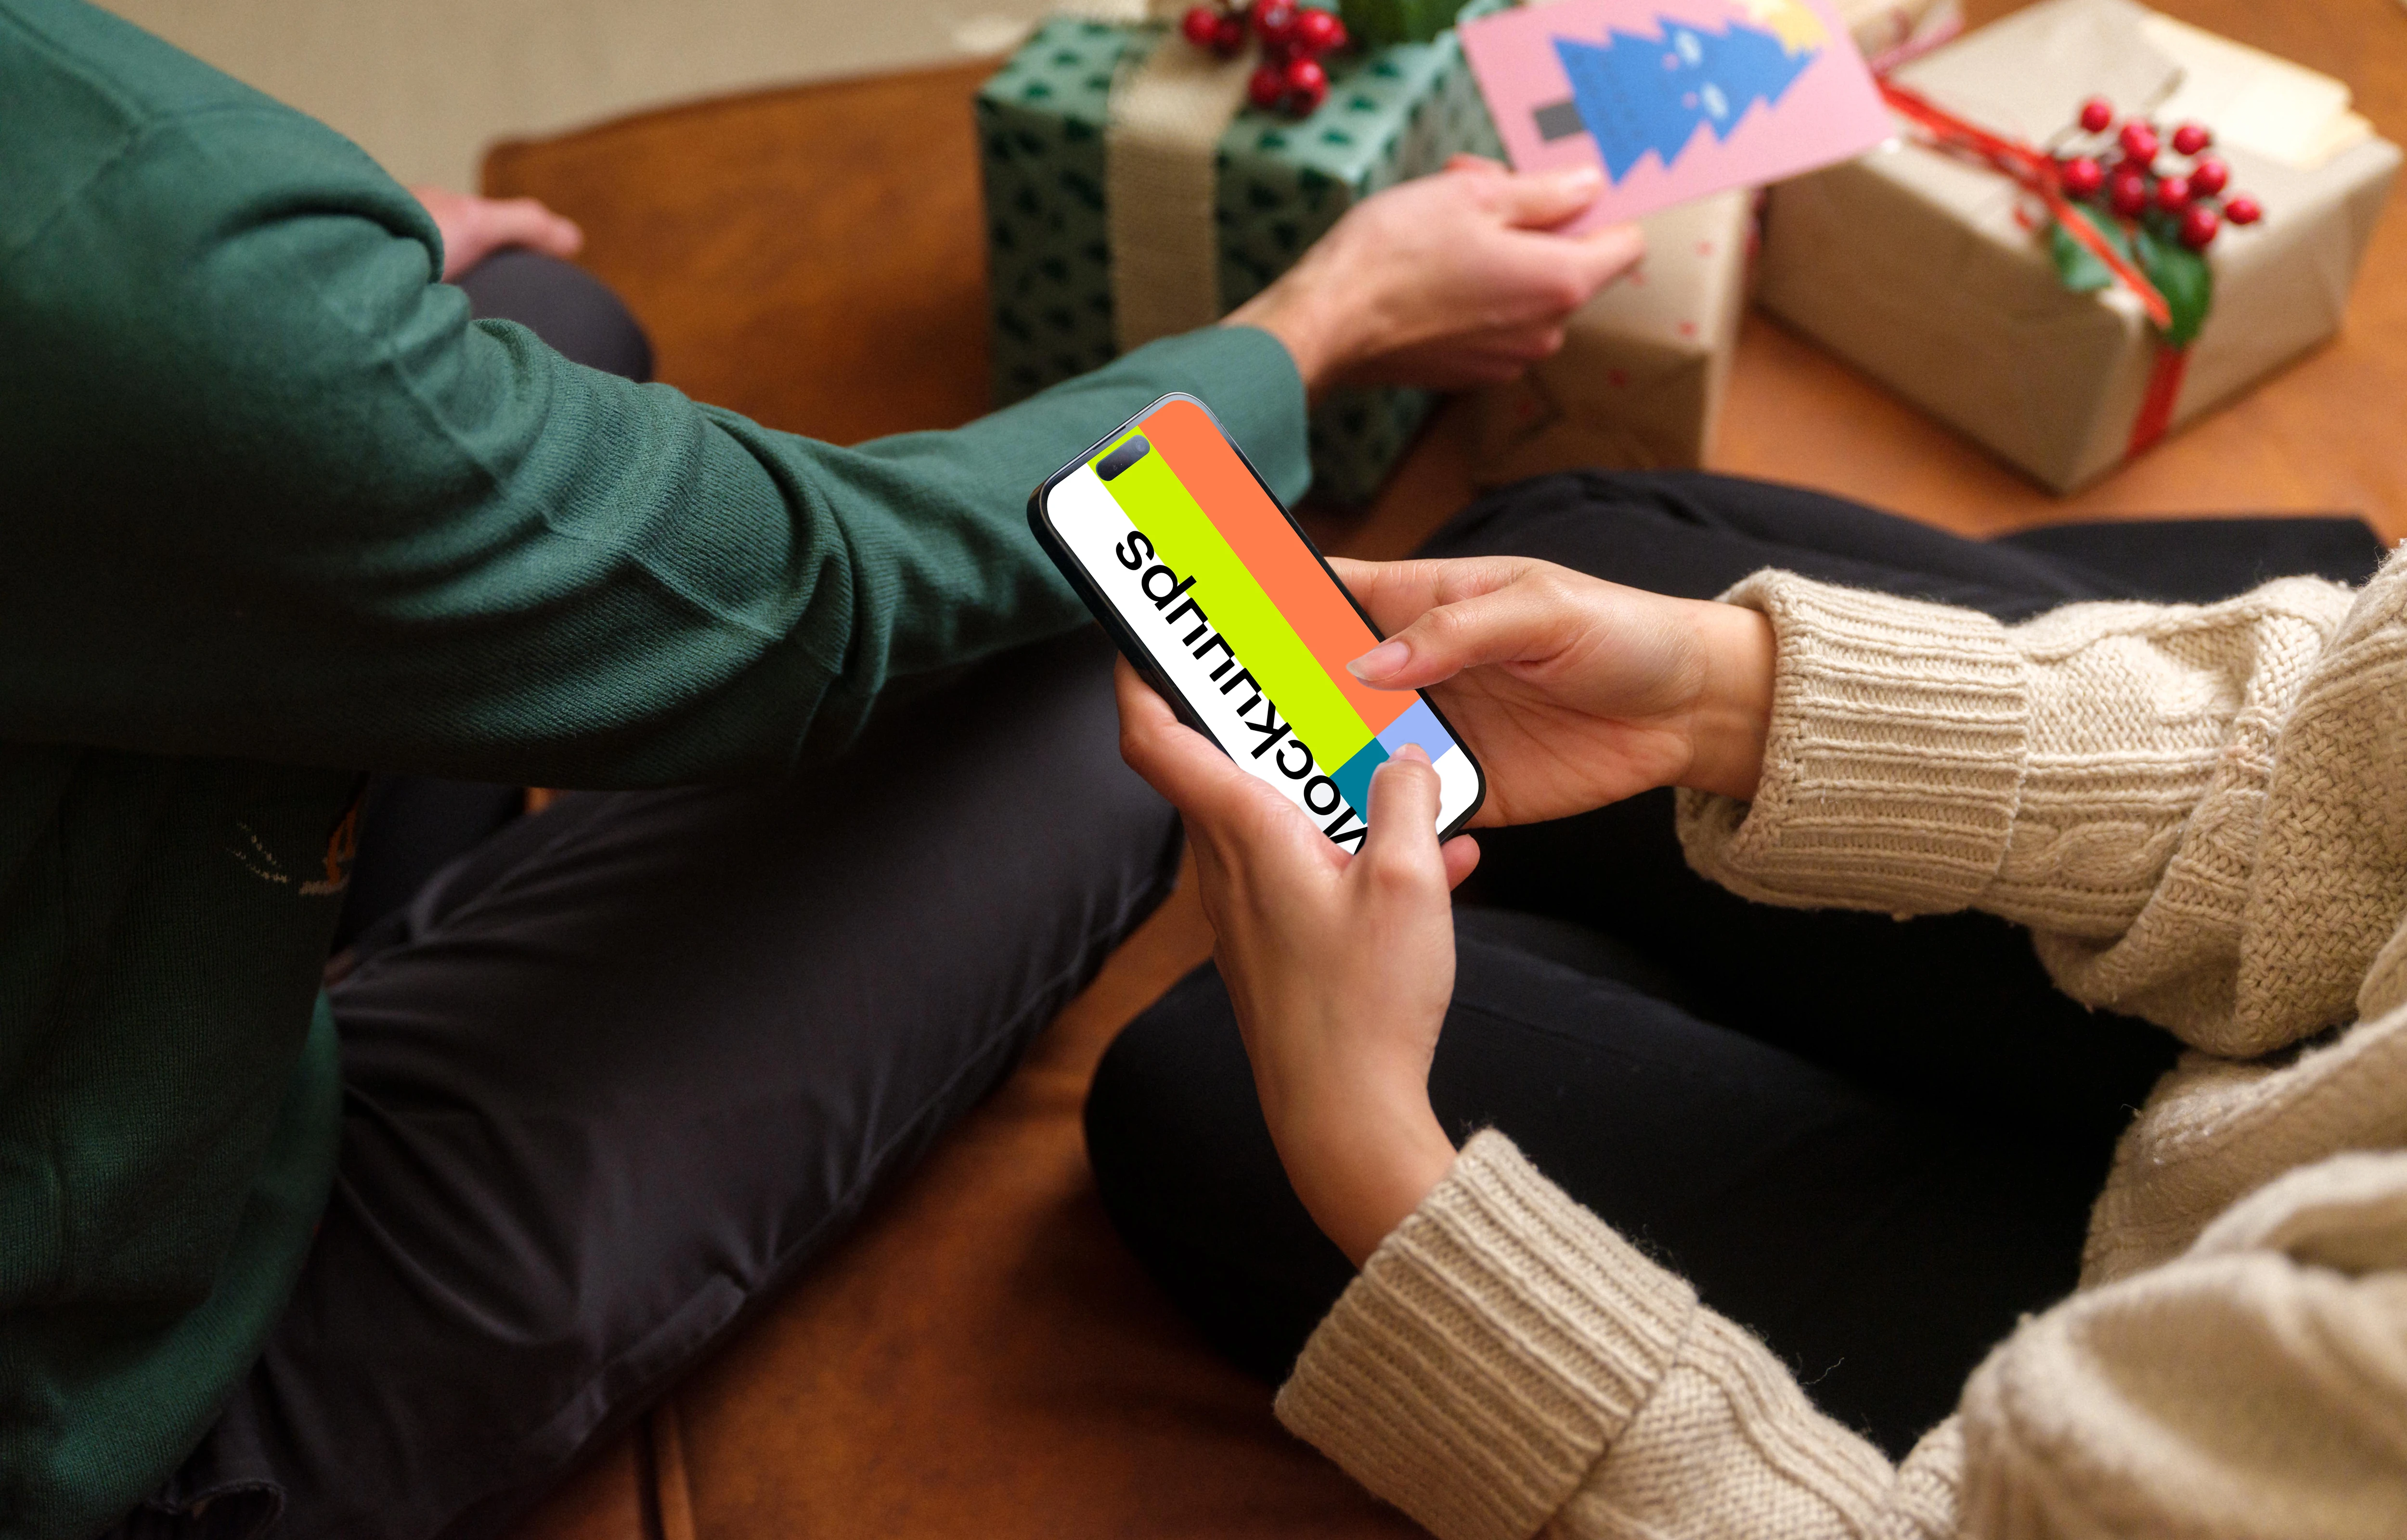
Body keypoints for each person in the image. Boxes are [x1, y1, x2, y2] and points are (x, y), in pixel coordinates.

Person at [0, 0, 1645, 1536]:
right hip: (109, 1398)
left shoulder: (138, 246)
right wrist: (1324, 318)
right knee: (1099, 663)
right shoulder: (145, 246)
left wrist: (277, 348)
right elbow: (828, 585)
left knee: (544, 319)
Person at [1087, 472, 2407, 1537]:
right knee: (1538, 549)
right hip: (2312, 1050)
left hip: (2138, 1345)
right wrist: (1716, 698)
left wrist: (1364, 1140)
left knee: (1208, 1079)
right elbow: (2359, 781)